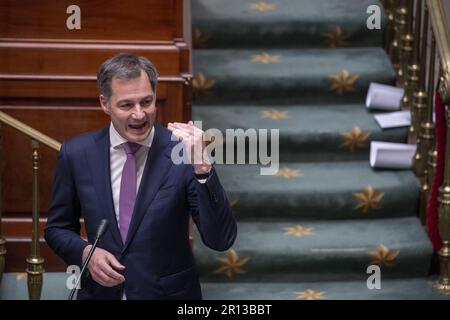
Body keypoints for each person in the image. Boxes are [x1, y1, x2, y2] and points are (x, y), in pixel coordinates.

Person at [44, 53, 237, 300]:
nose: (139, 114)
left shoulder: (183, 153)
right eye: (126, 105)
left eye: (146, 102)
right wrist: (85, 253)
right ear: (104, 103)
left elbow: (221, 240)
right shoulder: (76, 154)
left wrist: (202, 167)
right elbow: (58, 228)